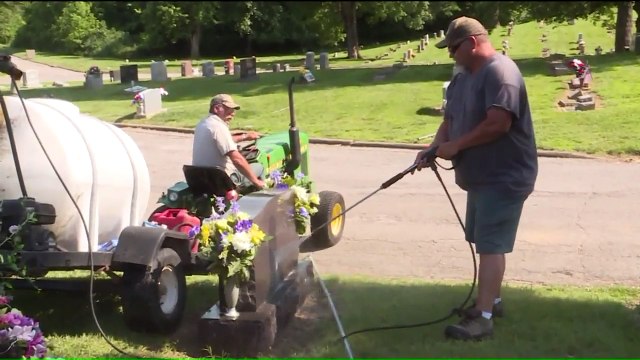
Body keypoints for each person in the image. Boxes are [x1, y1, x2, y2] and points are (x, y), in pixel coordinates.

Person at [414, 16, 538, 341]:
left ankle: (483, 319)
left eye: (453, 48)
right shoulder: (463, 78)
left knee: (491, 246)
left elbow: (498, 123)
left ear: (471, 43)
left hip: (504, 176)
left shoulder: (501, 73)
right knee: (485, 242)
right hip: (480, 178)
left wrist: (455, 146)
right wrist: (433, 148)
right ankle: (491, 302)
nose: (450, 55)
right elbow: (450, 120)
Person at [192, 94, 266, 190]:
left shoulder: (203, 123)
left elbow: (221, 140)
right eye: (228, 109)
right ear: (217, 108)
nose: (233, 113)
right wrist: (256, 182)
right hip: (222, 179)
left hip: (201, 177)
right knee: (259, 167)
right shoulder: (218, 127)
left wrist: (245, 137)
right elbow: (237, 159)